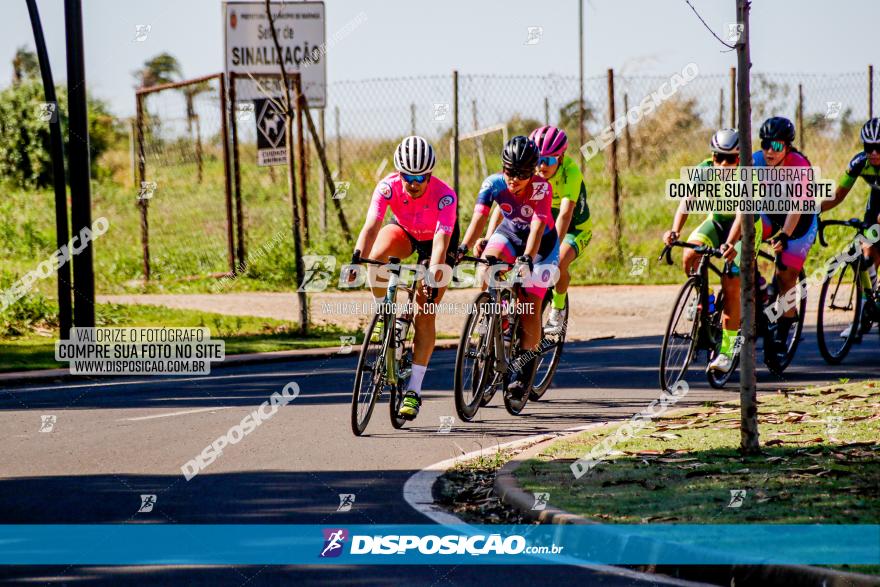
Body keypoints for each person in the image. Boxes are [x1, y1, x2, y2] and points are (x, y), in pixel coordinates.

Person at [349, 136, 459, 421]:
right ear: (399, 173)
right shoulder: (387, 186)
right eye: (408, 176)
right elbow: (372, 224)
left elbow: (440, 244)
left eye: (420, 177)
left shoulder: (445, 195)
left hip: (437, 241)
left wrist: (433, 275)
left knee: (425, 309)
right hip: (406, 231)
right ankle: (384, 314)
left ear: (429, 175)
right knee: (377, 255)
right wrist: (357, 255)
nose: (413, 182)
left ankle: (414, 390)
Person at [457, 136, 559, 399]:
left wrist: (527, 257)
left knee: (529, 304)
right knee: (489, 264)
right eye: (510, 171)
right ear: (503, 168)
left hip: (541, 247)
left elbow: (537, 225)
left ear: (533, 171)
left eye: (523, 173)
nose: (515, 179)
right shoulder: (493, 183)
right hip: (510, 234)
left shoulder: (541, 189)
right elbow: (479, 217)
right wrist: (463, 248)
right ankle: (495, 323)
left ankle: (525, 369)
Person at [662, 129, 743, 373]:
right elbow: (687, 201)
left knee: (731, 284)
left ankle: (727, 351)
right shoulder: (704, 169)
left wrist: (729, 244)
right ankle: (704, 296)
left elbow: (742, 216)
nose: (724, 164)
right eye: (719, 158)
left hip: (744, 227)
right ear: (712, 156)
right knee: (690, 253)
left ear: (739, 158)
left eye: (731, 159)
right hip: (717, 221)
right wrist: (675, 231)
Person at [752, 116, 818, 354]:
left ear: (787, 146)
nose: (770, 151)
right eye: (765, 144)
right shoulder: (756, 160)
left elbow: (797, 207)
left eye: (777, 145)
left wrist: (784, 235)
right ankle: (757, 284)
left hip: (799, 223)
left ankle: (784, 327)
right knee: (746, 237)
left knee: (785, 276)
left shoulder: (799, 165)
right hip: (771, 215)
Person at [527, 125, 592, 333]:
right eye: (538, 159)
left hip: (575, 229)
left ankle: (558, 308)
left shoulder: (571, 172)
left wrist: (553, 249)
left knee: (559, 262)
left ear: (561, 158)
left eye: (550, 160)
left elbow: (565, 214)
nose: (542, 166)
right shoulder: (531, 170)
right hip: (543, 224)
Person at [821, 118, 880, 338]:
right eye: (868, 147)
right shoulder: (859, 163)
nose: (873, 152)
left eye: (878, 147)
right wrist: (812, 210)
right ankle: (866, 310)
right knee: (866, 249)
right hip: (876, 199)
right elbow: (837, 196)